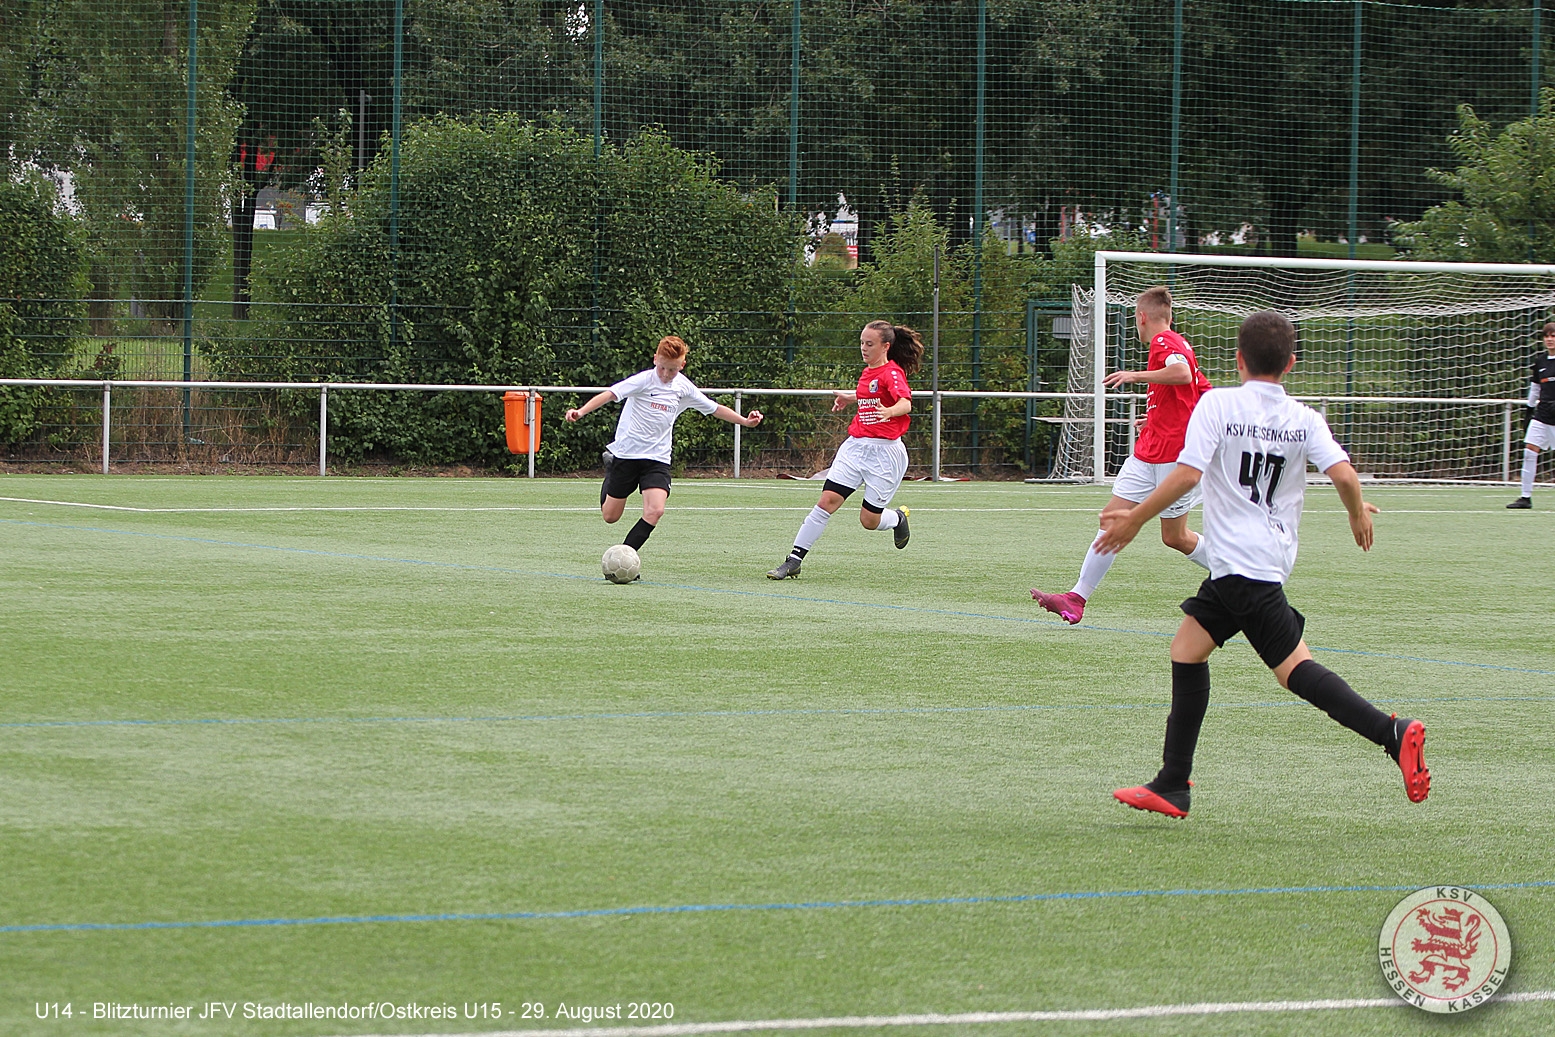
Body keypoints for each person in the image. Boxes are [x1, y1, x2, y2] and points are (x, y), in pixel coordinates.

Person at [1095, 309, 1428, 819]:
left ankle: (1392, 733)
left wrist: (1134, 519)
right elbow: (1343, 474)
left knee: (1294, 671)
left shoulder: (1217, 405)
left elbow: (1186, 476)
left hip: (1241, 566)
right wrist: (1357, 512)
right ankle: (1172, 782)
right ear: (1291, 363)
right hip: (1258, 559)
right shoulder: (1304, 418)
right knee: (1187, 649)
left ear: (1238, 358)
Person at [1032, 286, 1214, 624]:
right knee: (1111, 520)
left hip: (1173, 457)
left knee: (1175, 537)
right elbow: (1201, 392)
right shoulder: (1178, 344)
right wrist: (1159, 416)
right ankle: (1076, 598)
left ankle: (1239, 572)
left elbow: (1183, 375)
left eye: (1135, 319)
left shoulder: (1165, 342)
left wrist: (1134, 375)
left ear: (1142, 317)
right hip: (1150, 450)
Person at [565, 336, 762, 556]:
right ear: (655, 359)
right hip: (627, 455)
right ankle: (610, 466)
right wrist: (580, 411)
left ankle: (625, 556)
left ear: (682, 365)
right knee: (610, 516)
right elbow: (610, 394)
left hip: (657, 459)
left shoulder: (683, 387)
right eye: (662, 368)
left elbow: (714, 408)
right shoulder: (643, 380)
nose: (667, 375)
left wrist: (745, 421)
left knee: (655, 511)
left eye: (672, 370)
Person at [766, 320, 922, 579]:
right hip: (855, 448)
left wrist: (890, 411)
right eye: (861, 342)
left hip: (885, 455)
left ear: (886, 346)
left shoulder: (892, 373)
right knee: (826, 502)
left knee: (869, 521)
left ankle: (897, 519)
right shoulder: (867, 372)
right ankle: (793, 560)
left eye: (869, 344)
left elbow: (905, 403)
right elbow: (870, 394)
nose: (863, 347)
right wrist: (851, 398)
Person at [1506, 320, 1555, 509]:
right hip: (1542, 414)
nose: (1550, 340)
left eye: (1553, 336)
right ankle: (1525, 497)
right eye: (1547, 336)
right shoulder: (1541, 361)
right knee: (1529, 451)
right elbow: (1535, 387)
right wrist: (1529, 409)